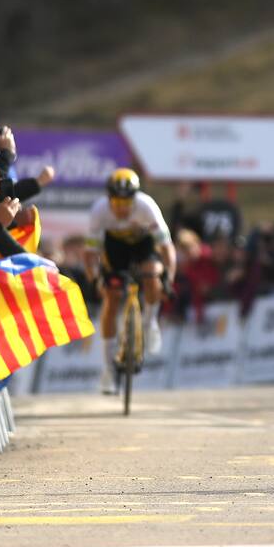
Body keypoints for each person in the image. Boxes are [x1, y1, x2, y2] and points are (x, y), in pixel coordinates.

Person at [83, 168, 177, 395]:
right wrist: (94, 279)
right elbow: (89, 255)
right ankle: (107, 369)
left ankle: (150, 322)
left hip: (144, 245)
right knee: (112, 297)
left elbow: (166, 248)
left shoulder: (147, 207)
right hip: (115, 250)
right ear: (109, 200)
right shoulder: (99, 211)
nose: (122, 208)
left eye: (127, 203)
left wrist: (169, 279)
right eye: (117, 203)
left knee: (153, 274)